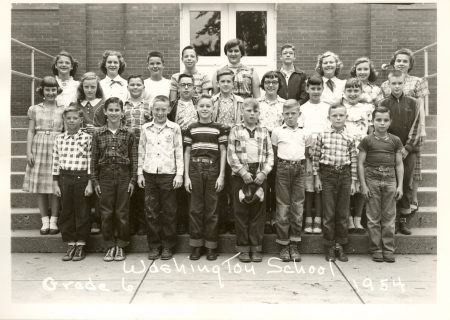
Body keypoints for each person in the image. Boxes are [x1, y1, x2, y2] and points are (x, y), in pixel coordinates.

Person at [381, 48, 429, 214]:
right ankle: (392, 213)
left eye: (405, 61)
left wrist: (422, 128)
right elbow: (382, 112)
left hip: (411, 132)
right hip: (393, 136)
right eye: (398, 60)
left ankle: (408, 206)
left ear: (410, 64)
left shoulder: (417, 81)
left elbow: (420, 107)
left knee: (410, 173)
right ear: (393, 63)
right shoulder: (386, 84)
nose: (401, 63)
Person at [91, 97, 137, 262]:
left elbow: (134, 158)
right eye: (110, 110)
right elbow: (94, 159)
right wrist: (95, 181)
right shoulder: (98, 133)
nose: (113, 113)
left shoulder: (129, 133)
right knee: (107, 212)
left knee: (122, 212)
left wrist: (132, 180)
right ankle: (110, 245)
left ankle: (121, 246)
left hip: (123, 174)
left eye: (117, 110)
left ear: (122, 113)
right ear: (105, 112)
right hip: (105, 175)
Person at [138, 96, 184, 261]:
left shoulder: (174, 128)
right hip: (149, 173)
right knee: (151, 212)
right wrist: (139, 173)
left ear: (168, 110)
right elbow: (141, 151)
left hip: (168, 174)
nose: (160, 112)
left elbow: (179, 151)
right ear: (152, 110)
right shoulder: (145, 128)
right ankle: (154, 246)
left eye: (163, 109)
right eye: (157, 109)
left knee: (169, 211)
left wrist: (179, 174)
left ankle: (168, 246)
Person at [227, 98, 273, 263]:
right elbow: (231, 154)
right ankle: (243, 249)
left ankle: (256, 248)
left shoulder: (264, 130)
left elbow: (270, 155)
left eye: (255, 111)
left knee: (258, 212)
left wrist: (264, 172)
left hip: (259, 173)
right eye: (249, 111)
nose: (252, 114)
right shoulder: (236, 130)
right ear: (242, 112)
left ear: (259, 113)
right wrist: (242, 172)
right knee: (241, 212)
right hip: (241, 175)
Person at [184, 94, 227, 261]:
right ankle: (196, 245)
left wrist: (222, 175)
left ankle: (211, 246)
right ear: (196, 108)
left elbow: (223, 152)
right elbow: (187, 152)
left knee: (212, 209)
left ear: (213, 108)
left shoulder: (219, 128)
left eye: (208, 106)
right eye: (201, 106)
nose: (204, 109)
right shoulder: (191, 128)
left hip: (213, 168)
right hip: (195, 168)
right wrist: (186, 176)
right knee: (195, 208)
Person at [358, 106, 404, 263]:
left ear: (390, 122)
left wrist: (400, 186)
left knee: (389, 217)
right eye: (378, 120)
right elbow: (361, 163)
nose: (382, 123)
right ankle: (376, 249)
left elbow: (399, 164)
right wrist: (363, 185)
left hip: (390, 180)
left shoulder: (395, 140)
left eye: (385, 120)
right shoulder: (367, 140)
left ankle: (388, 249)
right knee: (373, 217)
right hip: (372, 180)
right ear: (372, 121)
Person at [312, 104, 357, 262]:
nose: (338, 118)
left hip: (344, 175)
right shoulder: (323, 135)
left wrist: (353, 181)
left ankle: (340, 245)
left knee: (342, 213)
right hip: (328, 174)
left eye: (341, 115)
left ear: (346, 117)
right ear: (329, 118)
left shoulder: (350, 137)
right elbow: (316, 158)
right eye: (335, 115)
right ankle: (330, 246)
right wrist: (317, 178)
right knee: (329, 213)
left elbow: (354, 160)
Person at [378, 70, 420, 235]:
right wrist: (391, 147)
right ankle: (391, 220)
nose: (396, 86)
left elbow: (416, 127)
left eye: (399, 83)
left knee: (406, 183)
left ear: (404, 83)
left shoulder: (413, 102)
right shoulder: (383, 104)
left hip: (408, 151)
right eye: (393, 83)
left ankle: (403, 220)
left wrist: (407, 148)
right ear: (388, 84)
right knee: (390, 184)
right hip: (389, 150)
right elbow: (381, 127)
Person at [22, 76, 64, 235]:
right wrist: (28, 152)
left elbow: (65, 131)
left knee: (55, 186)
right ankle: (44, 221)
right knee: (41, 187)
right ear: (42, 91)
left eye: (54, 90)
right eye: (48, 90)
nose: (51, 93)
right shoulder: (35, 109)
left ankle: (54, 221)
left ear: (57, 91)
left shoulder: (63, 108)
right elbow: (31, 131)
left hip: (56, 146)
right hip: (39, 146)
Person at [272, 99, 311, 262]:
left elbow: (307, 153)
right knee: (283, 207)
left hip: (299, 169)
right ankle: (283, 244)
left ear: (299, 114)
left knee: (297, 207)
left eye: (293, 113)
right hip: (282, 168)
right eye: (286, 114)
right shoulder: (277, 132)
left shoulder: (305, 133)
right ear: (282, 115)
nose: (290, 117)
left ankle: (294, 243)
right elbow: (274, 154)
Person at [52, 106, 93, 261]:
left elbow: (90, 161)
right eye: (68, 118)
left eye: (75, 118)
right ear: (64, 120)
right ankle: (71, 243)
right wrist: (55, 183)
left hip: (82, 178)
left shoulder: (87, 138)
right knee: (67, 211)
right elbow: (56, 161)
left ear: (81, 120)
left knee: (82, 211)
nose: (71, 121)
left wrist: (89, 182)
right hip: (65, 178)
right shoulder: (59, 139)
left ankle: (81, 244)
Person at [71, 72, 105, 235]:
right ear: (81, 88)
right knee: (84, 183)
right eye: (86, 87)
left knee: (97, 181)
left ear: (97, 87)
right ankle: (84, 219)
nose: (90, 90)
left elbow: (112, 126)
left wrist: (97, 129)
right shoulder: (77, 104)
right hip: (81, 149)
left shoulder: (104, 104)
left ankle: (97, 219)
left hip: (100, 148)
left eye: (93, 87)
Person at [212, 69, 244, 235]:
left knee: (233, 185)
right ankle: (221, 220)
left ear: (233, 84)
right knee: (219, 185)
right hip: (217, 146)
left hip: (234, 146)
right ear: (218, 83)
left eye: (228, 81)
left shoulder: (239, 101)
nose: (225, 84)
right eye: (222, 81)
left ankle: (233, 220)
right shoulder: (213, 100)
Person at [341, 78, 374, 235]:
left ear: (361, 92)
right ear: (344, 92)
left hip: (362, 150)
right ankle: (347, 218)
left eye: (356, 91)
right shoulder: (341, 108)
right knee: (347, 185)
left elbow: (371, 131)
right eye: (349, 91)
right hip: (345, 151)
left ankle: (357, 219)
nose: (352, 94)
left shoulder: (367, 108)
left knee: (362, 184)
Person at [167, 73, 199, 235]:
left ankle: (192, 222)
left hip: (195, 150)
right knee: (178, 187)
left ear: (194, 88)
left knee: (192, 185)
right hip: (176, 150)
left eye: (189, 85)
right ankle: (180, 222)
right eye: (183, 85)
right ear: (178, 88)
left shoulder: (199, 104)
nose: (186, 88)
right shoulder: (171, 106)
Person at [298, 75, 329, 234]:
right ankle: (308, 219)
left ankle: (318, 219)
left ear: (323, 89)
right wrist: (308, 149)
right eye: (313, 88)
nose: (316, 91)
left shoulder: (328, 107)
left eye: (319, 88)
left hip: (325, 152)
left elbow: (330, 130)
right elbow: (301, 131)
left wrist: (323, 150)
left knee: (320, 186)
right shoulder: (302, 109)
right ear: (307, 89)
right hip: (308, 152)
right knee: (308, 187)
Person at [256, 71, 285, 235]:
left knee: (276, 184)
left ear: (279, 85)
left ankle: (275, 218)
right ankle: (265, 218)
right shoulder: (258, 103)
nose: (271, 85)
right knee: (264, 183)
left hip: (279, 148)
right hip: (261, 148)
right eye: (267, 82)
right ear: (263, 84)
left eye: (274, 82)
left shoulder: (285, 104)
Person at [123, 75, 152, 236]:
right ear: (128, 87)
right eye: (132, 85)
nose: (135, 87)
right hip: (127, 149)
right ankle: (131, 222)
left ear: (143, 87)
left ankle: (142, 223)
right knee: (129, 186)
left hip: (145, 150)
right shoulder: (122, 106)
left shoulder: (149, 106)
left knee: (142, 187)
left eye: (138, 85)